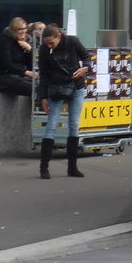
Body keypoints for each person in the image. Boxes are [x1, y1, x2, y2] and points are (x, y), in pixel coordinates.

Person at [36, 24, 91, 179]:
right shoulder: (44, 50)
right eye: (46, 43)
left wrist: (84, 68)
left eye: (51, 43)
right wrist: (43, 97)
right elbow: (43, 74)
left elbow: (86, 56)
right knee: (51, 126)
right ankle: (44, 168)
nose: (48, 46)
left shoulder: (72, 42)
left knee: (74, 126)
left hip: (76, 86)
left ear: (59, 36)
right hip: (56, 88)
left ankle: (72, 167)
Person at [0, 17, 38, 96]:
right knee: (35, 88)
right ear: (14, 31)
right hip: (5, 77)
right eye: (20, 29)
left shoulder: (26, 41)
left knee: (44, 87)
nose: (23, 31)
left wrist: (29, 50)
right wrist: (26, 72)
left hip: (21, 76)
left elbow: (32, 64)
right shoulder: (6, 42)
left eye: (24, 29)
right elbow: (7, 64)